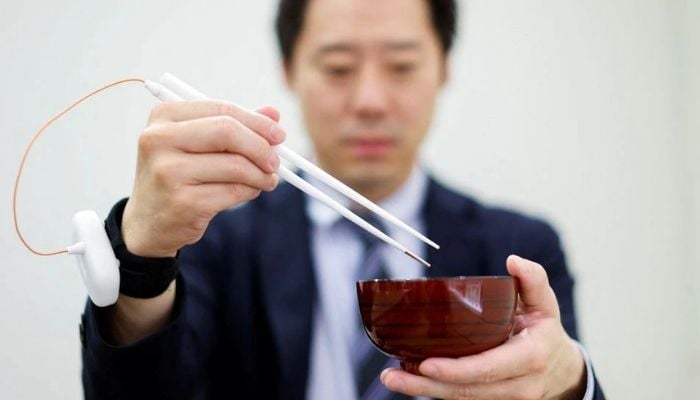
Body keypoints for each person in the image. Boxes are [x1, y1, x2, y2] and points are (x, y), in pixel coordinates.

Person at [80, 0, 605, 399]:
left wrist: (567, 380)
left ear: (443, 68)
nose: (370, 101)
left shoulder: (518, 247)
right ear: (290, 70)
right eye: (337, 68)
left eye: (401, 66)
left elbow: (557, 378)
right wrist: (145, 258)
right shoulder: (216, 241)